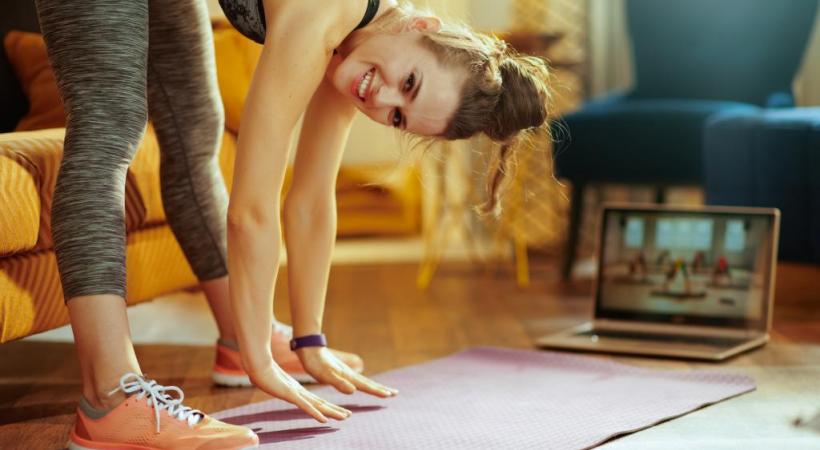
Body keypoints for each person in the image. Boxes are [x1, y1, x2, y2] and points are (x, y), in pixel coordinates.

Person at [36, 0, 551, 447]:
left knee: (194, 138)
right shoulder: (323, 13)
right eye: (410, 83)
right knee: (111, 128)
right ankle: (109, 396)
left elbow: (310, 198)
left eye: (398, 117)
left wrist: (310, 340)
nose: (384, 99)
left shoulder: (367, 42)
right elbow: (252, 209)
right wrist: (264, 364)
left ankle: (238, 341)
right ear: (419, 27)